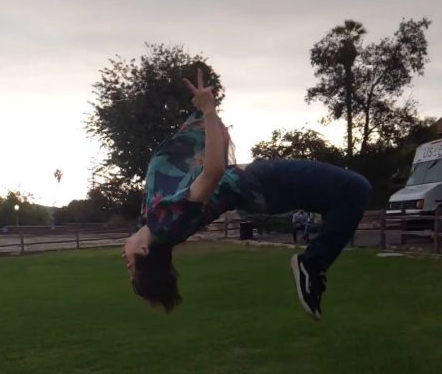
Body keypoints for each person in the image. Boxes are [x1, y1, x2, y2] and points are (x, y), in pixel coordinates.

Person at [123, 68, 372, 320]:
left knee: (346, 197)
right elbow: (213, 172)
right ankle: (312, 265)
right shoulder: (168, 224)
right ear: (143, 250)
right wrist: (208, 111)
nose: (124, 257)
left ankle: (314, 265)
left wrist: (202, 108)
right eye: (129, 263)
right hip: (265, 184)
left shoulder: (150, 217)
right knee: (355, 189)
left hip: (263, 187)